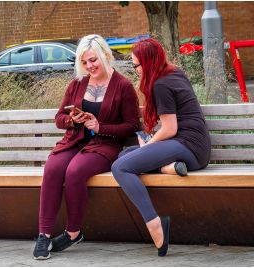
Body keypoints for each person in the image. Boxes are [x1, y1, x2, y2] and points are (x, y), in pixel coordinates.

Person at [33, 34, 140, 260]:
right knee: (53, 168)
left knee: (74, 171)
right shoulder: (78, 84)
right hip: (74, 141)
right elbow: (59, 117)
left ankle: (73, 232)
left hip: (105, 145)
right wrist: (74, 120)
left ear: (105, 55)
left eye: (93, 60)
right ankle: (43, 234)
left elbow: (131, 126)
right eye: (84, 62)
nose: (89, 66)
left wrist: (101, 127)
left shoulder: (123, 86)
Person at [111, 38, 211, 257]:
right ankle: (169, 167)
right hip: (195, 147)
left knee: (121, 167)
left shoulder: (160, 85)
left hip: (186, 146)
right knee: (125, 154)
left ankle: (154, 224)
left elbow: (170, 128)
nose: (135, 70)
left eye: (136, 65)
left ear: (147, 63)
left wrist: (147, 145)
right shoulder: (173, 73)